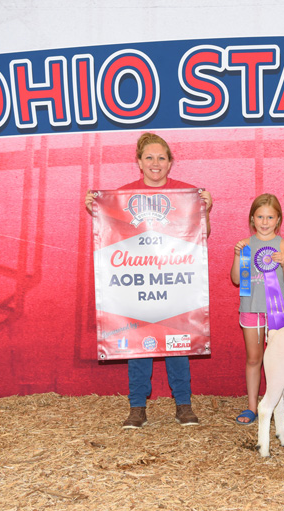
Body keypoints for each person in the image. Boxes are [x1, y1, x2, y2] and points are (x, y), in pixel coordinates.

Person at [84, 132, 213, 429]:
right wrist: (97, 207)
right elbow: (110, 235)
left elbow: (201, 236)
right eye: (150, 158)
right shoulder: (123, 195)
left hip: (174, 285)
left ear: (170, 163)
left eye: (162, 158)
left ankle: (183, 405)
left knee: (177, 345)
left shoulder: (186, 194)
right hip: (138, 285)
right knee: (138, 346)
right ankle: (137, 407)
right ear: (139, 162)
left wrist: (206, 208)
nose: (156, 163)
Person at [230, 194, 284, 424]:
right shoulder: (245, 245)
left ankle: (283, 405)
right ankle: (252, 407)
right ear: (252, 218)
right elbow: (237, 280)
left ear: (278, 220)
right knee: (253, 359)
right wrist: (238, 256)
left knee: (280, 360)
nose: (265, 221)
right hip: (250, 310)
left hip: (277, 311)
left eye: (270, 217)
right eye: (260, 216)